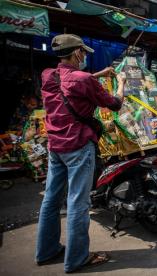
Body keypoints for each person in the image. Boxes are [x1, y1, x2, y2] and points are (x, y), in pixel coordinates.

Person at [35, 34, 126, 273]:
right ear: (76, 53)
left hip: (55, 148)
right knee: (78, 203)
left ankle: (45, 251)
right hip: (77, 146)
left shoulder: (48, 75)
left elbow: (70, 84)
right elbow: (115, 104)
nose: (85, 56)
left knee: (51, 201)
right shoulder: (83, 79)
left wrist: (98, 75)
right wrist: (122, 82)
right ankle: (76, 259)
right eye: (83, 52)